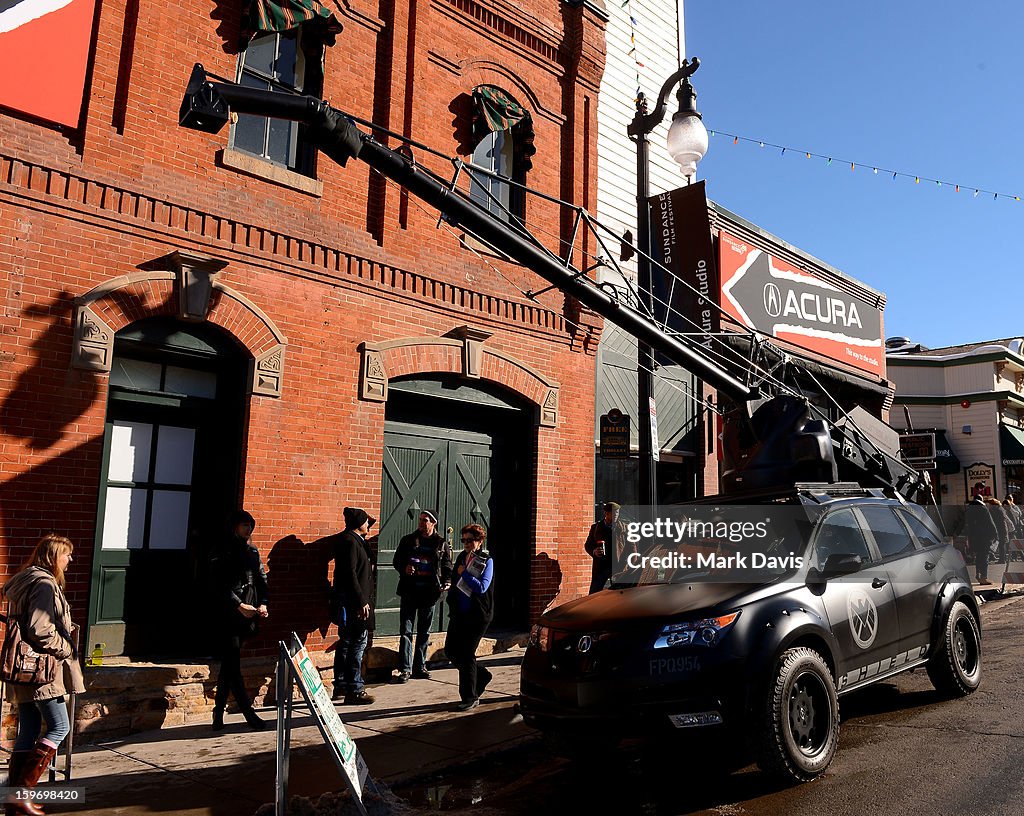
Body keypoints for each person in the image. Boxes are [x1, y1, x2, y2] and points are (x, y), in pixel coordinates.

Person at [2, 534, 85, 815]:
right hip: (42, 672)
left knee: (27, 731)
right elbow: (40, 630)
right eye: (66, 555)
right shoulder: (45, 584)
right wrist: (65, 648)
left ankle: (14, 801)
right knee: (60, 726)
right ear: (53, 556)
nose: (70, 560)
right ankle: (20, 797)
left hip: (22, 670)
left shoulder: (26, 579)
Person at [209, 510, 269, 731]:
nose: (248, 529)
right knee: (232, 663)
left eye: (250, 525)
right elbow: (217, 584)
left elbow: (262, 580)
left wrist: (263, 603)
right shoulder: (222, 550)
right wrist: (238, 604)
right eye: (244, 525)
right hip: (228, 613)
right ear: (234, 527)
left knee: (229, 664)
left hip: (248, 611)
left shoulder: (252, 552)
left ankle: (218, 714)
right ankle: (248, 712)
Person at [392, 510, 452, 682]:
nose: (421, 523)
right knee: (406, 631)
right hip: (409, 591)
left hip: (429, 593)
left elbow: (447, 566)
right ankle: (405, 669)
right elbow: (397, 560)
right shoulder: (408, 540)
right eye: (420, 519)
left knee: (424, 632)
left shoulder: (441, 543)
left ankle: (420, 666)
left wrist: (447, 581)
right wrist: (404, 567)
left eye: (425, 520)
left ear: (433, 523)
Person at [329, 507, 377, 704]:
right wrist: (361, 601)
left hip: (352, 602)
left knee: (346, 643)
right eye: (366, 522)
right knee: (357, 644)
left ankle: (341, 685)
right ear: (359, 523)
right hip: (354, 604)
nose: (368, 525)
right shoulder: (350, 542)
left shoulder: (355, 541)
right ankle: (354, 688)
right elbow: (350, 574)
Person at [445, 524, 494, 711]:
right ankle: (480, 676)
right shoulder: (461, 557)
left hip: (478, 615)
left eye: (470, 540)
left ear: (480, 541)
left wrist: (464, 573)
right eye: (463, 540)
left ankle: (470, 697)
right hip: (459, 612)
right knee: (451, 650)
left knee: (466, 655)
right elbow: (454, 578)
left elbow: (482, 587)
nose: (466, 544)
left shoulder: (486, 561)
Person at [584, 501, 629, 594]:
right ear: (607, 513)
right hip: (601, 566)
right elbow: (588, 545)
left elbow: (632, 548)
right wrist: (594, 551)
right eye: (614, 512)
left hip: (619, 565)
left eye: (618, 512)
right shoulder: (596, 527)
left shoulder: (624, 527)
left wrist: (628, 565)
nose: (617, 515)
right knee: (595, 593)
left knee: (620, 593)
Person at [965, 494, 998, 585]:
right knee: (984, 557)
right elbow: (990, 522)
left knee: (978, 557)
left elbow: (965, 523)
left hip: (973, 537)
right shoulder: (983, 509)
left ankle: (978, 574)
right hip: (984, 537)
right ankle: (983, 577)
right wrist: (995, 534)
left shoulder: (968, 510)